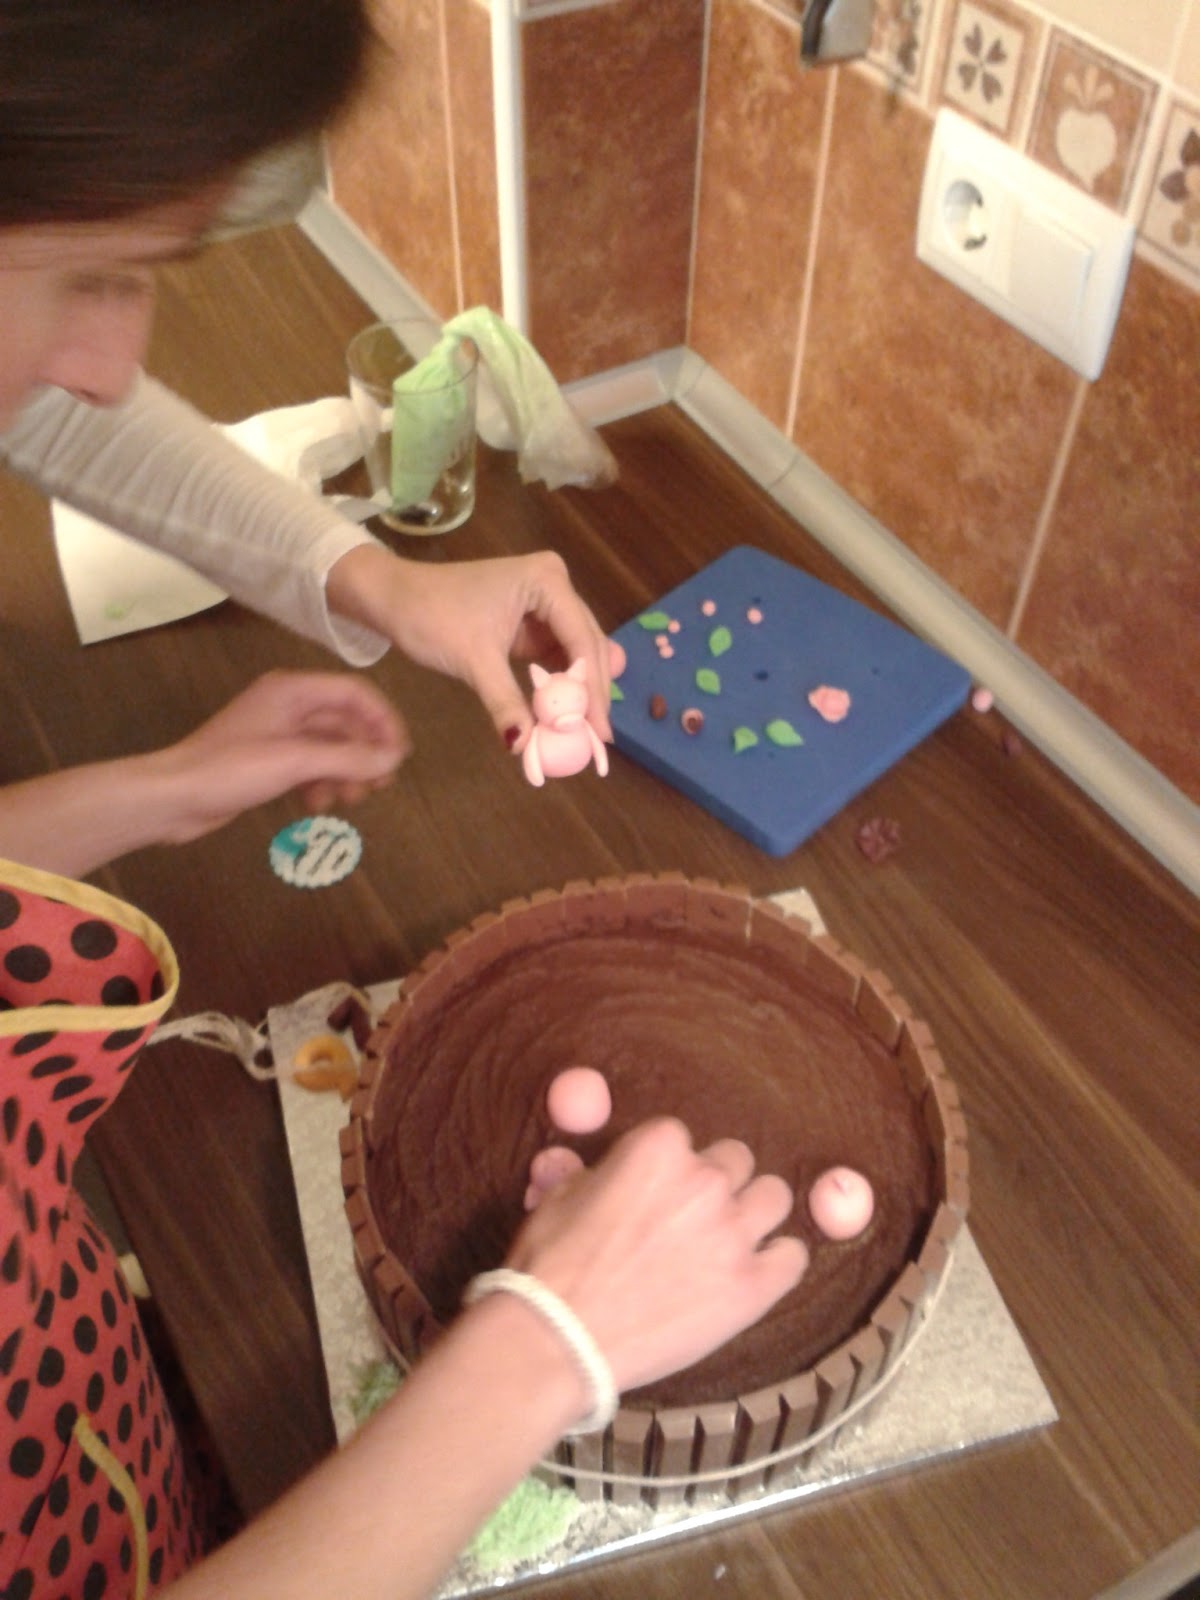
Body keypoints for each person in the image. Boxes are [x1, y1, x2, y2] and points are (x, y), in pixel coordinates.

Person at [0, 4, 809, 1597]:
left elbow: (39, 397)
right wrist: (541, 1353)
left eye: (141, 276)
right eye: (92, 271)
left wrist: (152, 785)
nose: (111, 362)